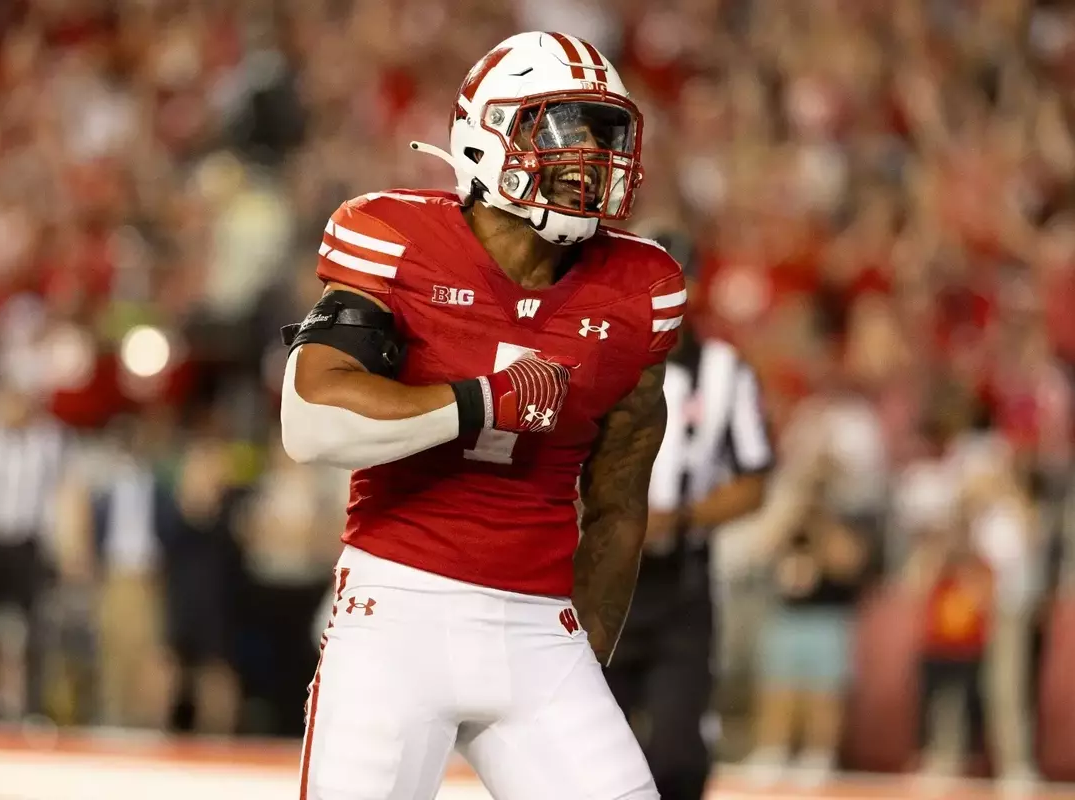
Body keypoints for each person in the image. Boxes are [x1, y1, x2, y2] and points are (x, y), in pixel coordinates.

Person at [281, 32, 682, 800]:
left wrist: (582, 655)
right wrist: (484, 400)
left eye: (603, 131)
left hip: (540, 628)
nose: (589, 155)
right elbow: (311, 420)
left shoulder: (640, 288)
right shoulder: (396, 237)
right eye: (560, 127)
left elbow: (620, 501)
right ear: (487, 134)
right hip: (395, 612)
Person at [606, 323, 772, 798]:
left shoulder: (725, 370)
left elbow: (755, 483)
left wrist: (677, 520)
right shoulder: (602, 348)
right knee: (588, 744)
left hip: (680, 580)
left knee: (678, 751)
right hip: (600, 576)